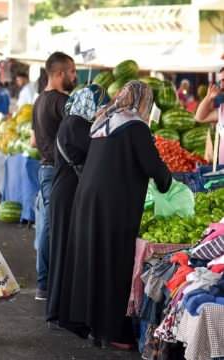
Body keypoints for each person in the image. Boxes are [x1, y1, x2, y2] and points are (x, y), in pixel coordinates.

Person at [58, 81, 172, 349]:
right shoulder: (134, 126)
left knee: (90, 258)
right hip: (112, 205)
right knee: (112, 261)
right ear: (143, 101)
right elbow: (153, 165)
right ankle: (110, 331)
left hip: (88, 200)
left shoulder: (103, 120)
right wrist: (167, 182)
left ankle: (87, 322)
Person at [46, 84, 108, 323]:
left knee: (63, 249)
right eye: (100, 104)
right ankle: (58, 312)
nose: (101, 110)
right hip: (67, 195)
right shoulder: (76, 125)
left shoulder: (73, 122)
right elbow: (96, 155)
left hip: (66, 191)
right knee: (63, 250)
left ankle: (59, 309)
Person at [31, 51, 76, 301]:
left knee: (46, 225)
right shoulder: (61, 101)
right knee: (50, 225)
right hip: (57, 171)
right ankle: (45, 284)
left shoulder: (39, 100)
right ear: (59, 74)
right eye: (71, 71)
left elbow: (34, 139)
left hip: (45, 168)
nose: (74, 76)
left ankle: (45, 282)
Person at [196, 68, 224, 163]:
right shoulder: (222, 111)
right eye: (220, 81)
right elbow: (200, 117)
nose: (222, 85)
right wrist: (208, 97)